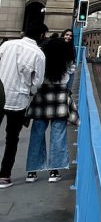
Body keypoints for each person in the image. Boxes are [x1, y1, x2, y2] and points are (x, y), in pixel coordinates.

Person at [25, 37, 79, 183]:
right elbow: (69, 82)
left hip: (41, 99)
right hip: (60, 99)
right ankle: (54, 171)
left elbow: (34, 82)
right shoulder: (67, 64)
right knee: (58, 135)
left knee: (36, 135)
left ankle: (32, 172)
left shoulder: (42, 61)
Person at [0, 25, 47, 188]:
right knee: (11, 140)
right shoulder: (38, 54)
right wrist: (30, 90)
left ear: (24, 33)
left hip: (0, 95)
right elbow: (38, 82)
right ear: (41, 35)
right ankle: (4, 176)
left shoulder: (7, 45)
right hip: (18, 101)